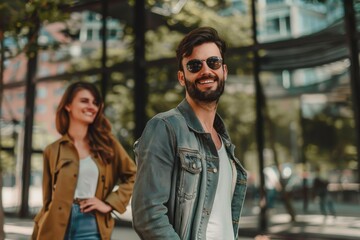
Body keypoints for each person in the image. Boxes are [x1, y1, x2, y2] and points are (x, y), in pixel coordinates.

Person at [131, 27, 248, 240]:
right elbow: (147, 214)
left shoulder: (223, 141)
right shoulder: (165, 127)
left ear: (224, 71)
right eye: (195, 65)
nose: (206, 71)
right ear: (182, 77)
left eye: (213, 62)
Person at [31, 81, 137, 240]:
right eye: (84, 101)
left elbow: (133, 175)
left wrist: (109, 203)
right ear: (68, 105)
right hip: (54, 227)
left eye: (95, 103)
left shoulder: (108, 145)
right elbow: (47, 202)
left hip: (90, 224)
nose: (92, 107)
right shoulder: (52, 150)